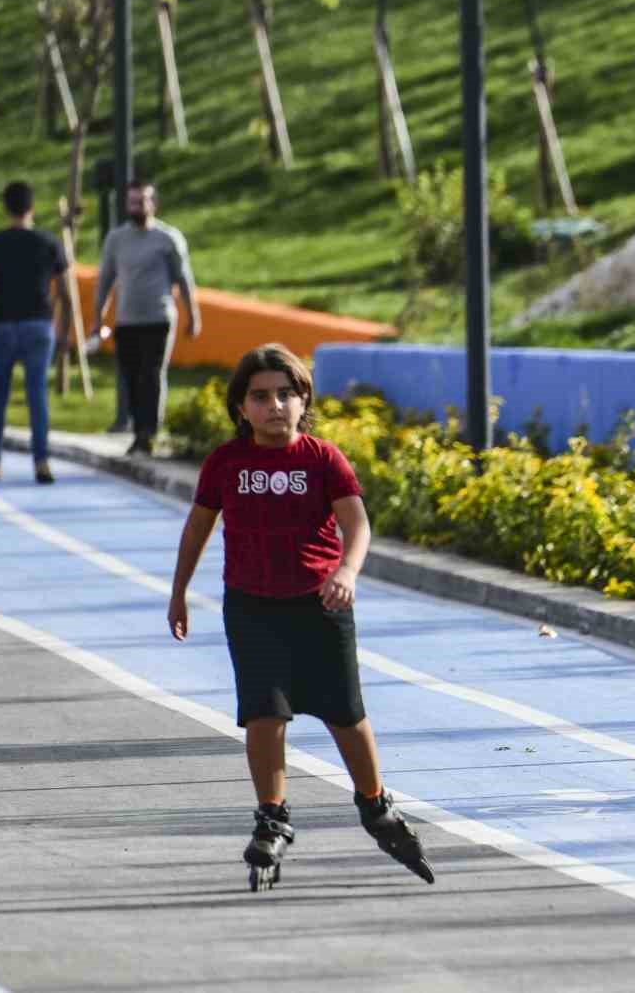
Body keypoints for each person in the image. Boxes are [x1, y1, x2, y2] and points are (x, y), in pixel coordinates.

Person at [166, 343, 434, 886]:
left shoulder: (322, 459)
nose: (275, 406)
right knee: (264, 714)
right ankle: (272, 815)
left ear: (304, 399)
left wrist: (347, 571)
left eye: (286, 394)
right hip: (252, 607)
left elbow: (357, 525)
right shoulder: (226, 463)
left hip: (320, 605)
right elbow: (197, 528)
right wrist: (179, 592)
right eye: (260, 396)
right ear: (241, 407)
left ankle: (375, 803)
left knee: (345, 713)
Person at [94, 181, 202, 457]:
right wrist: (98, 318)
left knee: (152, 375)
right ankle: (138, 430)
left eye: (142, 201)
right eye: (132, 202)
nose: (137, 207)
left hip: (159, 317)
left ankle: (148, 434)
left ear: (153, 204)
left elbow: (184, 279)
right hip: (126, 320)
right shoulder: (116, 239)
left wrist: (193, 315)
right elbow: (105, 280)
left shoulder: (168, 238)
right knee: (130, 377)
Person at [0, 180, 71, 485]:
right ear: (32, 208)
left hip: (1, 326)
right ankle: (41, 461)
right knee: (37, 394)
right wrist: (63, 331)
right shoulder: (49, 242)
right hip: (39, 326)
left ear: (6, 208)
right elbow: (66, 293)